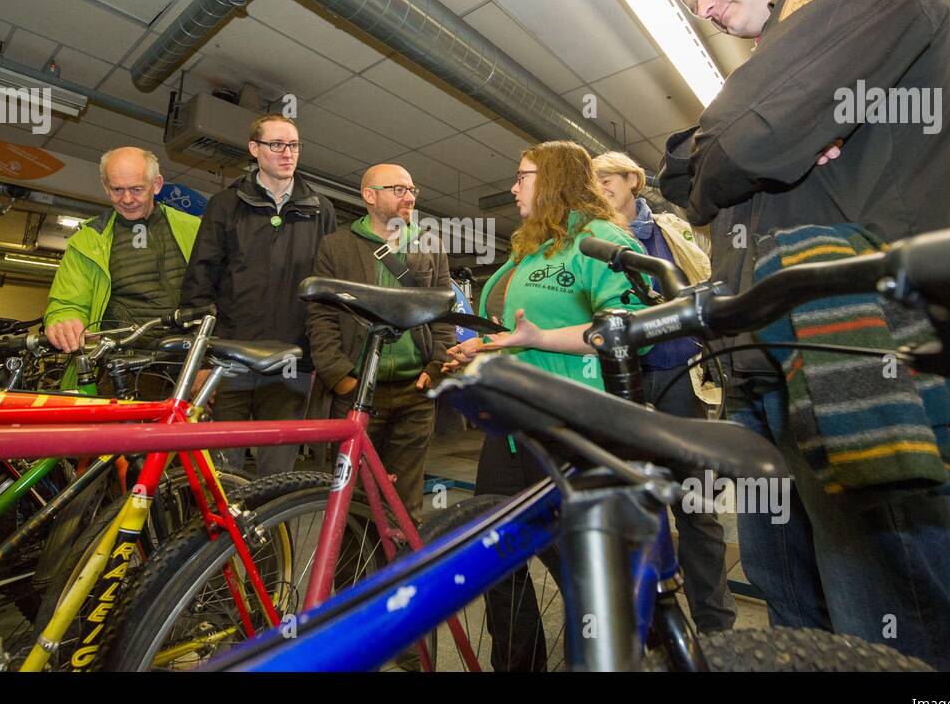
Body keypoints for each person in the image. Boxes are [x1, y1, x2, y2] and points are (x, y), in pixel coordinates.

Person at [658, 0, 950, 671]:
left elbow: (754, 140)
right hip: (760, 369)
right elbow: (680, 175)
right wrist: (755, 129)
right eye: (695, 6)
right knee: (794, 617)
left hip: (855, 350)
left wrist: (744, 136)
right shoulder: (766, 65)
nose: (707, 9)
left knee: (886, 625)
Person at [444, 140, 643, 670]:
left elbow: (625, 330)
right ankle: (516, 664)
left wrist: (537, 338)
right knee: (494, 558)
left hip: (568, 424)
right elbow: (518, 332)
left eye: (522, 176)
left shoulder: (598, 238)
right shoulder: (527, 250)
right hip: (508, 426)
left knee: (577, 565)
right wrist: (480, 346)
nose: (512, 187)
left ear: (554, 179)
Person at [592, 151, 735, 634]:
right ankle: (657, 624)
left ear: (633, 180)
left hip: (678, 379)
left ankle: (716, 626)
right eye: (592, 182)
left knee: (695, 504)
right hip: (621, 385)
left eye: (607, 178)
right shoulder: (588, 240)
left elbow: (701, 285)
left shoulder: (673, 229)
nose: (600, 187)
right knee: (636, 503)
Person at [180, 113, 337, 476]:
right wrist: (201, 360)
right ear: (254, 149)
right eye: (277, 144)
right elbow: (199, 282)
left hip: (290, 361)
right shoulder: (224, 205)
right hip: (229, 359)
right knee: (222, 472)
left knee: (278, 475)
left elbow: (326, 290)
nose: (287, 153)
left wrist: (319, 356)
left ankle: (273, 535)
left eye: (294, 145)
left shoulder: (320, 210)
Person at [305, 164, 454, 519]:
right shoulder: (336, 246)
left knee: (404, 502)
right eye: (398, 190)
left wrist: (436, 367)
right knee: (351, 499)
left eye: (412, 190)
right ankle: (354, 573)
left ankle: (401, 572)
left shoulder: (429, 246)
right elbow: (321, 315)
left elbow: (444, 312)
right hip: (356, 392)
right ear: (370, 197)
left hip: (415, 392)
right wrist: (339, 375)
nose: (410, 197)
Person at [44, 147, 200, 388]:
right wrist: (64, 320)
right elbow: (66, 304)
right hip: (116, 368)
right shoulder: (87, 240)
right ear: (106, 188)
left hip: (187, 366)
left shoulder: (195, 229)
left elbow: (223, 298)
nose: (127, 200)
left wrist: (209, 364)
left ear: (156, 184)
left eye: (137, 189)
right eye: (117, 190)